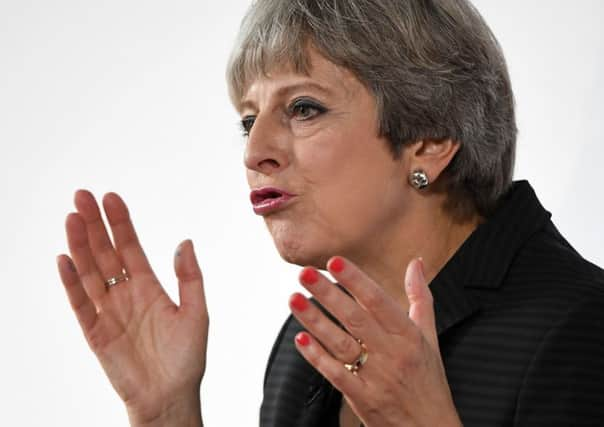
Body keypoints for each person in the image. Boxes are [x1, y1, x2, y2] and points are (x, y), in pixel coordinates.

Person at [57, 1, 604, 426]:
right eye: (249, 121)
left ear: (430, 139)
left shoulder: (581, 331)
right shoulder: (311, 339)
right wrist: (166, 412)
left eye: (303, 109)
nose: (254, 152)